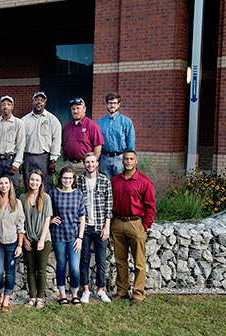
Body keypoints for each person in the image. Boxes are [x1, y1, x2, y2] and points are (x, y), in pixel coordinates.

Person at [110, 150, 156, 305]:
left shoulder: (144, 182)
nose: (128, 161)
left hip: (135, 223)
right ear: (122, 161)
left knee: (138, 262)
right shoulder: (115, 180)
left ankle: (138, 294)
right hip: (117, 222)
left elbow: (150, 206)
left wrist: (145, 225)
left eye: (131, 159)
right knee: (120, 260)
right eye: (125, 159)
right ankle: (122, 291)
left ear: (136, 162)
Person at [77, 152, 113, 304]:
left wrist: (107, 227)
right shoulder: (79, 181)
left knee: (101, 260)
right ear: (84, 164)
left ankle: (100, 289)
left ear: (97, 163)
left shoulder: (105, 181)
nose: (90, 165)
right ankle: (85, 290)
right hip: (84, 228)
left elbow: (109, 206)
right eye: (87, 162)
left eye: (93, 162)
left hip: (99, 227)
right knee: (84, 260)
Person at [49, 166, 86, 307]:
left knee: (75, 267)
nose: (67, 180)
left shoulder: (78, 194)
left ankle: (74, 295)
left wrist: (80, 238)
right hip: (58, 235)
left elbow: (82, 217)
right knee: (61, 265)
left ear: (74, 180)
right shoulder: (53, 193)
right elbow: (46, 212)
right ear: (61, 179)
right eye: (65, 178)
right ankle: (63, 295)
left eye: (70, 178)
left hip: (74, 236)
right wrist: (51, 220)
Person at [0, 175, 25, 311]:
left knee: (10, 271)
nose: (3, 186)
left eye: (6, 183)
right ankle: (0, 294)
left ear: (10, 185)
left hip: (12, 242)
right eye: (1, 183)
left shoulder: (16, 203)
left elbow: (20, 225)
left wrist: (20, 245)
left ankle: (6, 298)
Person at [20, 169, 53, 309]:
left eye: (37, 180)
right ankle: (32, 298)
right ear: (28, 181)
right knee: (30, 269)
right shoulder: (22, 198)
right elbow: (20, 220)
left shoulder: (46, 198)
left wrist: (41, 240)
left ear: (41, 183)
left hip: (43, 239)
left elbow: (47, 220)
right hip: (28, 238)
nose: (34, 182)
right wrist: (25, 239)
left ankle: (40, 298)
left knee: (41, 269)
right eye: (32, 179)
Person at [21, 92, 62, 192]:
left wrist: (53, 159)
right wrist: (20, 161)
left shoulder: (52, 120)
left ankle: (44, 207)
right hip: (28, 157)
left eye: (41, 100)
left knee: (45, 186)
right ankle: (29, 207)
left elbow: (56, 140)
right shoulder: (24, 120)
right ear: (33, 102)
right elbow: (20, 142)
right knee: (29, 185)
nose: (38, 102)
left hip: (45, 158)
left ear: (45, 103)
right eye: (36, 100)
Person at [0, 95, 25, 195]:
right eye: (3, 104)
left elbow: (21, 145)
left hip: (11, 161)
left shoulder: (18, 123)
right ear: (0, 107)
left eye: (8, 104)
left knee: (13, 188)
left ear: (12, 107)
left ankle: (12, 209)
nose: (6, 107)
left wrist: (16, 164)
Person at [97, 93, 136, 179]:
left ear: (118, 104)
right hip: (104, 159)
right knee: (105, 185)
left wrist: (129, 160)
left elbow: (131, 143)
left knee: (120, 184)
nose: (112, 105)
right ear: (106, 104)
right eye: (110, 103)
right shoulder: (99, 123)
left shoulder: (126, 121)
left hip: (120, 158)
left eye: (114, 103)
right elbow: (97, 143)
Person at [62, 97, 104, 175]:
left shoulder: (92, 125)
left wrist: (93, 163)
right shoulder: (67, 126)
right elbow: (64, 146)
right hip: (69, 164)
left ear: (84, 109)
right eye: (73, 109)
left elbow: (98, 146)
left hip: (84, 165)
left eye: (78, 108)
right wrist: (65, 162)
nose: (75, 111)